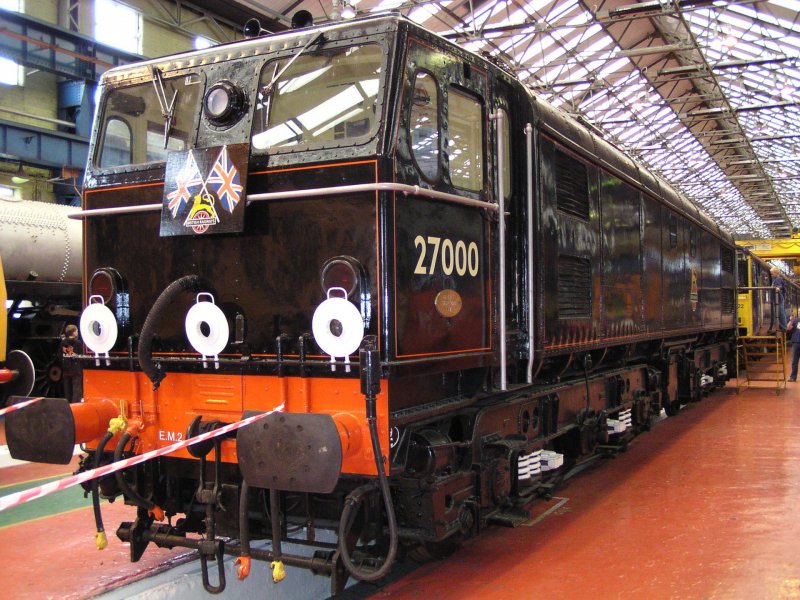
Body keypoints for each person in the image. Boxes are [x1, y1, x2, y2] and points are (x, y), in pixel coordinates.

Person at [61, 323, 83, 403]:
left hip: (66, 370)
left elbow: (60, 355)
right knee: (76, 391)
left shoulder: (63, 343)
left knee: (68, 391)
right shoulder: (78, 343)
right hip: (76, 370)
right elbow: (80, 356)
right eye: (77, 331)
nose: (77, 332)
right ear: (73, 332)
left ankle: (68, 406)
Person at [770, 266, 788, 331]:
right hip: (778, 299)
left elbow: (779, 286)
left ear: (776, 273)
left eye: (772, 273)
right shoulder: (775, 279)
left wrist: (777, 288)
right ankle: (782, 326)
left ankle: (783, 327)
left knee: (780, 312)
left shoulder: (778, 279)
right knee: (779, 312)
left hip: (779, 299)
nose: (771, 275)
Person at [787, 312, 800, 382]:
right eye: (799, 311)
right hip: (796, 343)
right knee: (795, 361)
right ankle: (793, 377)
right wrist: (791, 320)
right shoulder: (795, 320)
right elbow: (788, 328)